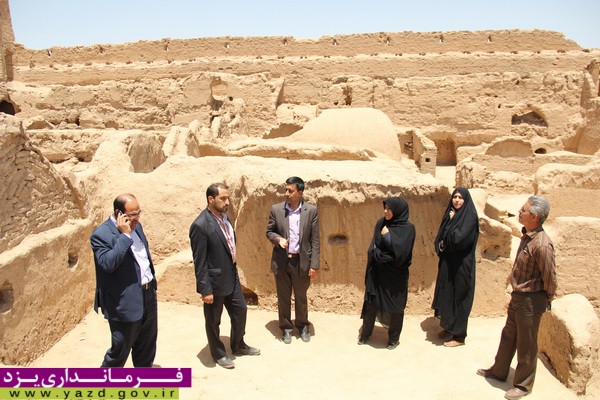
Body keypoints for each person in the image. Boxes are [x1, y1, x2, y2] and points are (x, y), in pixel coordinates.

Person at [477, 195, 557, 400]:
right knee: (509, 335)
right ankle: (499, 370)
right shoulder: (527, 236)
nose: (519, 212)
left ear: (535, 216)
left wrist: (546, 298)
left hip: (531, 299)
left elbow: (550, 277)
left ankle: (523, 385)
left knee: (526, 343)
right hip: (519, 296)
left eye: (524, 210)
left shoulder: (542, 244)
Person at [189, 183, 260, 369]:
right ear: (210, 199)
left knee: (240, 310)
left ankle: (238, 344)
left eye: (228, 198)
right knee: (214, 320)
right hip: (214, 283)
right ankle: (219, 353)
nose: (227, 202)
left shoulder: (225, 218)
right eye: (223, 198)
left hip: (231, 276)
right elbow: (199, 261)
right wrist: (205, 290)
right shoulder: (200, 225)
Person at [90, 193, 157, 367]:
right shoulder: (101, 235)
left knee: (146, 345)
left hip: (148, 294)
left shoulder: (137, 227)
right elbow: (108, 264)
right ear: (118, 213)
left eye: (139, 213)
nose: (137, 218)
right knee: (120, 351)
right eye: (132, 215)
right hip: (124, 301)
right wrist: (125, 236)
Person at [266, 176, 320, 344]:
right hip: (282, 261)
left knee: (301, 296)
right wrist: (278, 239)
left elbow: (315, 240)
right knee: (283, 297)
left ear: (300, 192)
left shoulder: (311, 211)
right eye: (286, 190)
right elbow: (269, 232)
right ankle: (286, 328)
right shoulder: (276, 209)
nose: (287, 193)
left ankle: (303, 326)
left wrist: (314, 265)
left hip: (301, 262)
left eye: (291, 191)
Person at [358, 197, 416, 349]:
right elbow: (374, 247)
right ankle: (365, 334)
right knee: (371, 305)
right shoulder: (381, 223)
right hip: (377, 273)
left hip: (396, 276)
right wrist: (379, 255)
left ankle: (393, 339)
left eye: (389, 209)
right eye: (385, 208)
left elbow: (402, 254)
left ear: (398, 210)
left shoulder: (408, 229)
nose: (385, 211)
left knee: (396, 308)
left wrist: (388, 237)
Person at [431, 187, 480, 347]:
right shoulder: (451, 213)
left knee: (459, 297)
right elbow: (440, 236)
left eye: (460, 197)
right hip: (448, 263)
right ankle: (448, 327)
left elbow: (458, 240)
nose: (457, 200)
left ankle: (459, 336)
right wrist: (441, 245)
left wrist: (452, 224)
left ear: (466, 200)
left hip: (461, 266)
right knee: (447, 295)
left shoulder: (469, 217)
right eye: (455, 197)